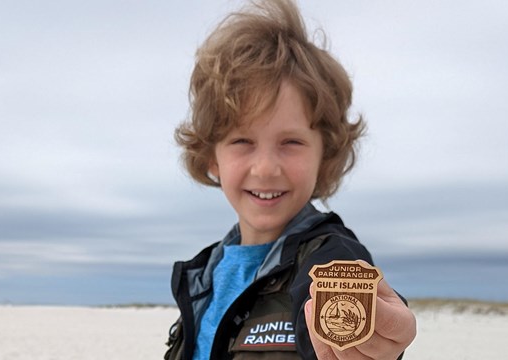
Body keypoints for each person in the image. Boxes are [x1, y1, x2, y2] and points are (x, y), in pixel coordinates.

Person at [165, 0, 416, 359]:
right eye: (242, 141)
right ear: (211, 158)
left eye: (291, 142)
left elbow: (354, 309)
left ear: (324, 155)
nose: (266, 167)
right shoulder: (204, 276)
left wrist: (379, 339)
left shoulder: (330, 258)